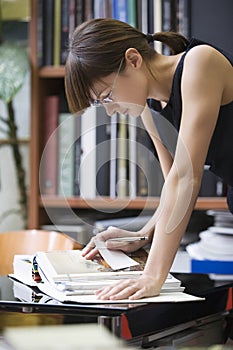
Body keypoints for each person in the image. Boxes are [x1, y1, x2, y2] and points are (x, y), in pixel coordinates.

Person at [65, 18, 233, 300]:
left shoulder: (199, 63)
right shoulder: (151, 107)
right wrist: (142, 235)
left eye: (107, 96)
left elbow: (186, 179)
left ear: (133, 60)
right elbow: (172, 188)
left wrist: (153, 276)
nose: (109, 111)